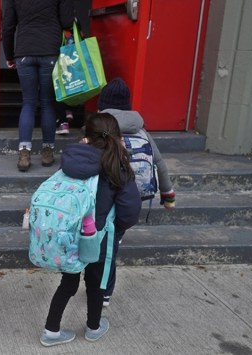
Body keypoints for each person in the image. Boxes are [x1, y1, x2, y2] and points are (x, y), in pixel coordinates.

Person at [40, 113, 141, 347]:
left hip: (70, 233)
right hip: (100, 237)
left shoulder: (73, 160)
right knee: (96, 285)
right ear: (117, 137)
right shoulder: (117, 167)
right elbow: (129, 210)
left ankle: (51, 331)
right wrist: (118, 229)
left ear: (86, 137)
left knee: (68, 283)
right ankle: (93, 328)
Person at [97, 77, 176, 307]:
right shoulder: (141, 130)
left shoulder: (101, 130)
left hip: (105, 197)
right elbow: (159, 163)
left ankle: (103, 291)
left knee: (104, 245)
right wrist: (168, 194)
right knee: (112, 243)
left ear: (103, 106)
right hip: (133, 199)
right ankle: (103, 288)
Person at [1, 0, 75, 171]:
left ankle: (24, 152)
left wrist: (9, 54)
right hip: (50, 49)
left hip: (24, 50)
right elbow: (66, 21)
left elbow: (8, 25)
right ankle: (47, 151)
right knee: (48, 102)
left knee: (28, 103)